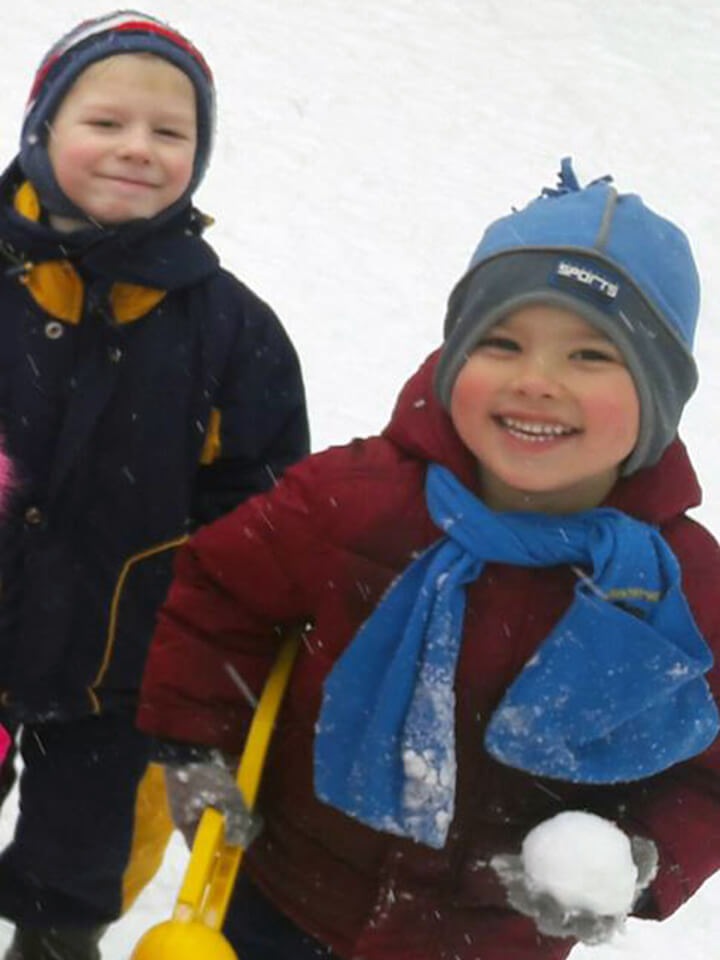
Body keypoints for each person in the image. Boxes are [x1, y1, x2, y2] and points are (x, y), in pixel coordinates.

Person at [138, 160, 720, 960]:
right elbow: (218, 598)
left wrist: (641, 857)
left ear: (658, 400)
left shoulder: (681, 586)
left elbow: (708, 770)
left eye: (591, 356)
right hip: (287, 896)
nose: (536, 381)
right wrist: (197, 748)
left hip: (489, 939)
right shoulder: (355, 500)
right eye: (502, 342)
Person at [0, 10, 309, 960]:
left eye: (170, 132)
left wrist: (205, 716)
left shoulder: (234, 335)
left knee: (77, 879)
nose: (138, 147)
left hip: (118, 682)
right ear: (43, 129)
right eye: (106, 121)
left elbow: (257, 540)